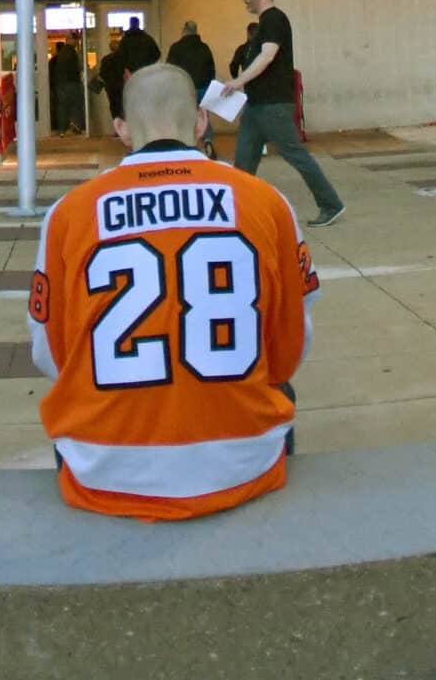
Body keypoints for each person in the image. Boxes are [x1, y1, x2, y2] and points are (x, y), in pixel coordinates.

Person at [27, 62, 318, 519]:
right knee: (280, 384)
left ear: (122, 129)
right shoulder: (265, 201)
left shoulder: (69, 213)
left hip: (103, 464)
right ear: (201, 120)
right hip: (242, 461)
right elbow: (289, 345)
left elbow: (52, 353)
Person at [226, 0, 344, 227]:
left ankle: (330, 204)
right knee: (243, 162)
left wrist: (238, 81)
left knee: (295, 155)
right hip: (256, 105)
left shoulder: (274, 19)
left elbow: (268, 56)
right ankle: (236, 214)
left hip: (273, 106)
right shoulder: (264, 23)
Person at [167, 20, 217, 98]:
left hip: (183, 89)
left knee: (185, 110)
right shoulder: (204, 47)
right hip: (203, 88)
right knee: (202, 110)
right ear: (196, 31)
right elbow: (211, 70)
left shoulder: (176, 47)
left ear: (184, 30)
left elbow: (170, 69)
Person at [48, 39, 84, 135]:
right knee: (75, 105)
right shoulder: (72, 52)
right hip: (72, 82)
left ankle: (62, 130)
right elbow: (79, 67)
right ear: (72, 41)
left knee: (62, 106)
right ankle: (76, 126)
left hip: (60, 84)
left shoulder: (58, 57)